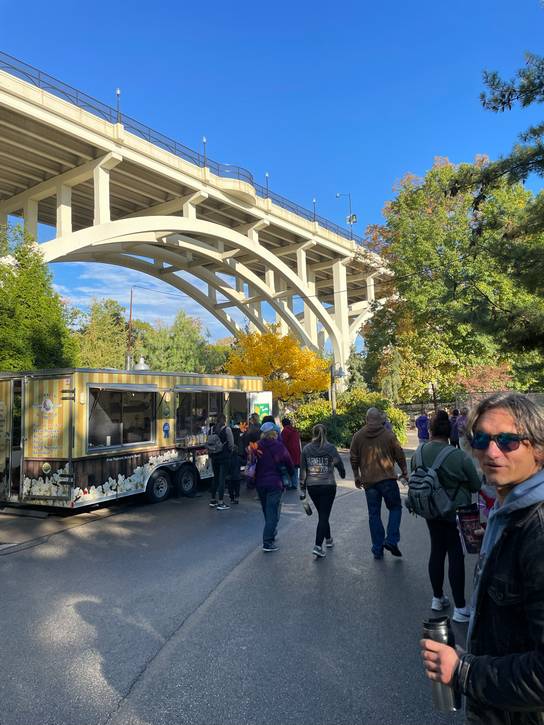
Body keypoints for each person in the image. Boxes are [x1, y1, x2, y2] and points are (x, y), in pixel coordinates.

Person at [420, 392, 544, 724]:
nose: (492, 452)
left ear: (538, 448)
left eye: (508, 441)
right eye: (482, 439)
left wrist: (463, 672)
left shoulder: (537, 529)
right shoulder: (509, 511)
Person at [413, 410, 481, 623]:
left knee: (436, 550)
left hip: (430, 509)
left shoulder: (419, 453)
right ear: (449, 431)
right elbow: (476, 485)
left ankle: (437, 597)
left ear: (430, 430)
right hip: (455, 511)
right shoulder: (458, 456)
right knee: (455, 554)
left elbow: (416, 475)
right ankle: (460, 607)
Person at [350, 407, 408, 559]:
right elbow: (399, 454)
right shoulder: (389, 435)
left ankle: (377, 548)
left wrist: (356, 475)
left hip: (369, 482)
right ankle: (391, 540)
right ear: (380, 420)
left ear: (366, 419)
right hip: (388, 479)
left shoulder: (358, 436)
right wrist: (404, 471)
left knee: (374, 514)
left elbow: (353, 457)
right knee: (395, 508)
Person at [300, 423, 345, 558]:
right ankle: (318, 546)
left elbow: (303, 471)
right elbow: (339, 464)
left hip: (312, 486)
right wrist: (342, 472)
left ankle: (329, 539)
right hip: (328, 485)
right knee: (324, 515)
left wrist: (302, 490)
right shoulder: (330, 448)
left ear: (313, 433)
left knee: (322, 514)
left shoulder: (306, 449)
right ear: (325, 433)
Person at [254, 421, 294, 552]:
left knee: (267, 510)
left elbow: (251, 461)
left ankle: (271, 532)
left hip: (260, 483)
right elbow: (289, 462)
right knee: (273, 512)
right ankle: (268, 542)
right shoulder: (279, 446)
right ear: (274, 433)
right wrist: (291, 474)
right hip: (275, 483)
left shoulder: (257, 446)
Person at [208, 414, 234, 511]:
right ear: (224, 420)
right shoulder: (227, 429)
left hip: (214, 456)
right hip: (224, 457)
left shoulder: (211, 429)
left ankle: (212, 500)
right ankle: (221, 502)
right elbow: (231, 443)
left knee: (215, 477)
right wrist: (230, 451)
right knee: (222, 479)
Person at [280, 417, 302, 490]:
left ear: (283, 424)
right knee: (295, 468)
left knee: (287, 469)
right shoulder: (295, 430)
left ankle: (289, 484)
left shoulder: (285, 431)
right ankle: (295, 484)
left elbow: (283, 442)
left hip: (288, 452)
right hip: (296, 452)